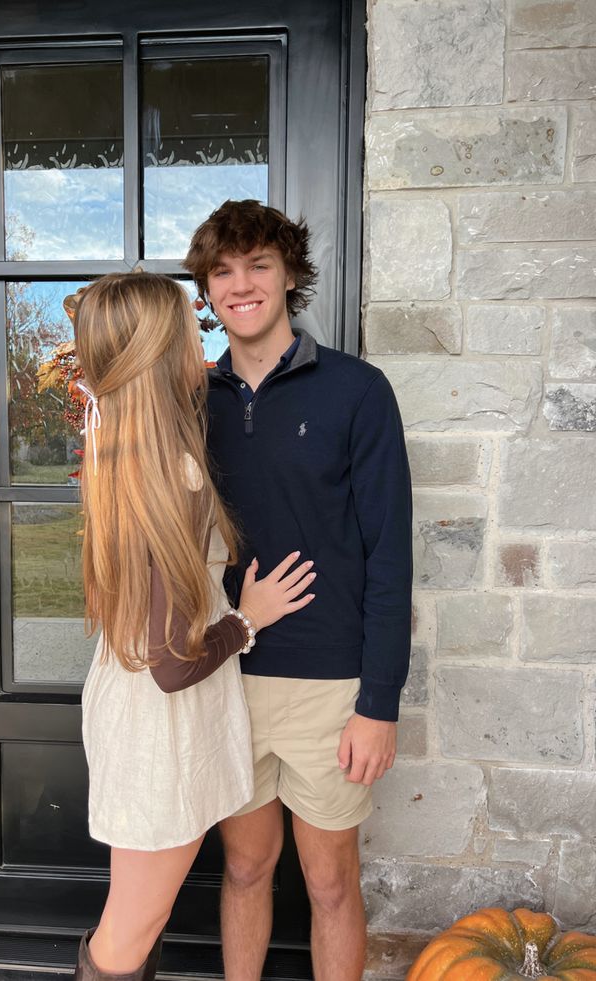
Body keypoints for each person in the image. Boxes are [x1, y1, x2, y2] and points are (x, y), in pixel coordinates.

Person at [184, 200, 413, 981]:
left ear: (289, 275)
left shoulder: (357, 391)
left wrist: (378, 701)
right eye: (222, 271)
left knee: (329, 880)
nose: (241, 284)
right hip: (228, 679)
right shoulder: (189, 403)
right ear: (207, 290)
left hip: (330, 687)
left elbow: (390, 554)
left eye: (258, 265)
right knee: (245, 869)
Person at [69, 272, 317, 981]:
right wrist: (248, 619)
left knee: (137, 920)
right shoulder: (165, 472)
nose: (200, 336)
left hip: (141, 717)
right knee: (132, 927)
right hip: (160, 728)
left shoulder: (123, 446)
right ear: (160, 349)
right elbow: (172, 663)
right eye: (189, 325)